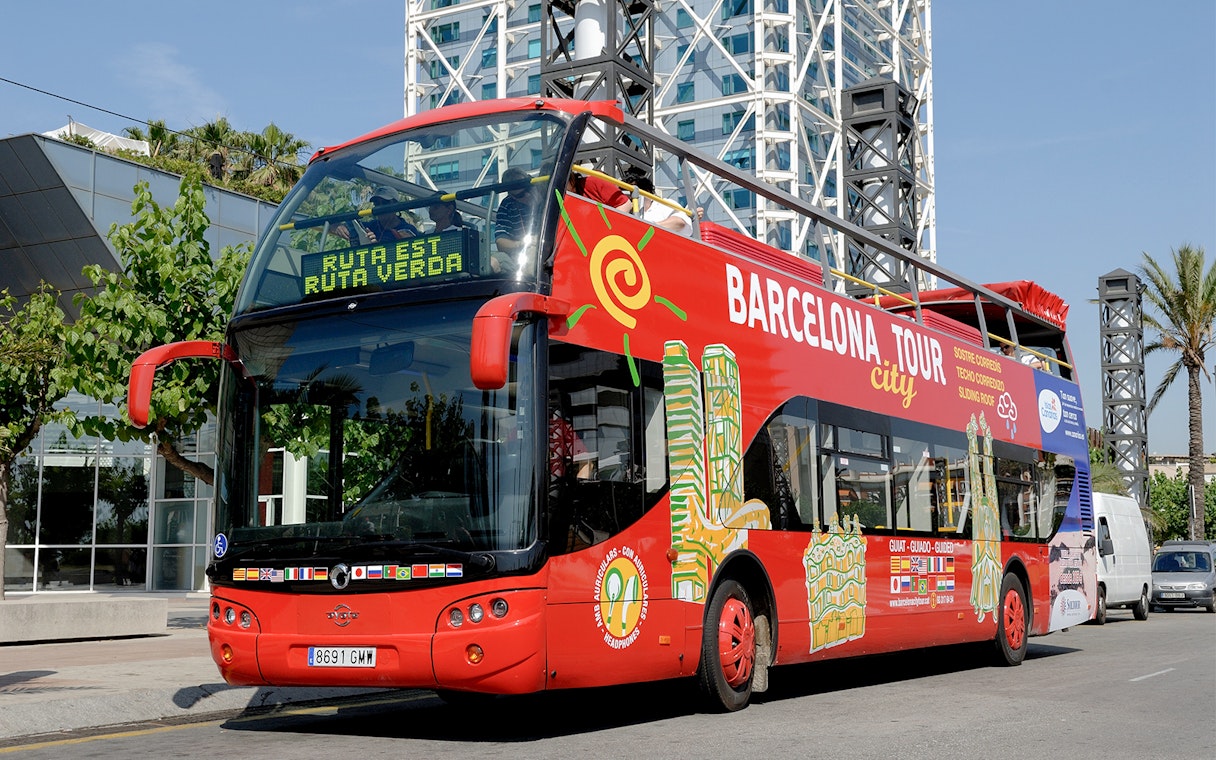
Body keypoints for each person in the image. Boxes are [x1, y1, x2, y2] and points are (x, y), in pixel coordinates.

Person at [493, 167, 541, 273]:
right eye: (521, 195)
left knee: (532, 254)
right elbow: (500, 242)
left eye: (528, 188)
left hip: (545, 251)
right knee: (490, 261)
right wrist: (521, 243)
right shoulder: (507, 205)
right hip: (518, 255)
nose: (528, 195)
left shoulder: (548, 196)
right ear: (511, 196)